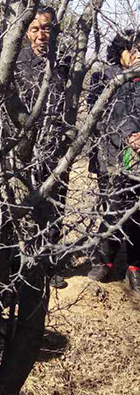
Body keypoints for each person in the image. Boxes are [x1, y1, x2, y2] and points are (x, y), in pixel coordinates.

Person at [12, 6, 71, 289]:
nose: (40, 35)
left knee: (55, 205)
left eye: (46, 28)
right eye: (35, 29)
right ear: (26, 32)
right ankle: (28, 261)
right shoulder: (17, 62)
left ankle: (49, 263)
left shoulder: (63, 62)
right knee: (28, 205)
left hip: (57, 148)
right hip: (27, 148)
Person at [86, 30, 140, 293]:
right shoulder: (104, 77)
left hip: (138, 156)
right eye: (133, 48)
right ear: (120, 51)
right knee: (114, 206)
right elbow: (97, 115)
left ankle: (134, 267)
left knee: (138, 211)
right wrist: (127, 134)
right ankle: (104, 260)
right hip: (111, 155)